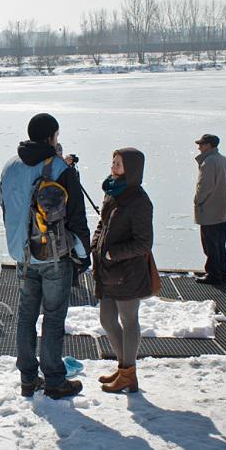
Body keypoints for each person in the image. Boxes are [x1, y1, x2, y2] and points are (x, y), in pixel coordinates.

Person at [0, 112, 91, 399]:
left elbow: (4, 206)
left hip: (22, 254)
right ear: (52, 136)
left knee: (26, 316)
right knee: (53, 317)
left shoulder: (9, 166)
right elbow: (76, 216)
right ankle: (54, 380)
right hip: (53, 255)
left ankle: (28, 379)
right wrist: (83, 254)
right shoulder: (60, 168)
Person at [92, 148, 152, 393]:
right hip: (107, 271)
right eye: (113, 161)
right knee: (107, 320)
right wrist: (95, 243)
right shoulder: (112, 191)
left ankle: (128, 373)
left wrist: (111, 253)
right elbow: (103, 223)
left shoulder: (139, 201)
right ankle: (123, 367)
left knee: (128, 321)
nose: (113, 166)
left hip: (127, 272)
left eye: (118, 163)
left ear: (132, 169)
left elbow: (143, 243)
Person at [193, 134, 226, 284]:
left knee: (210, 244)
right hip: (222, 208)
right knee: (220, 244)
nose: (199, 147)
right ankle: (221, 273)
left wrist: (197, 201)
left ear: (209, 145)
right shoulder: (222, 159)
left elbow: (204, 187)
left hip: (209, 209)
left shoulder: (208, 162)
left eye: (201, 144)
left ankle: (213, 274)